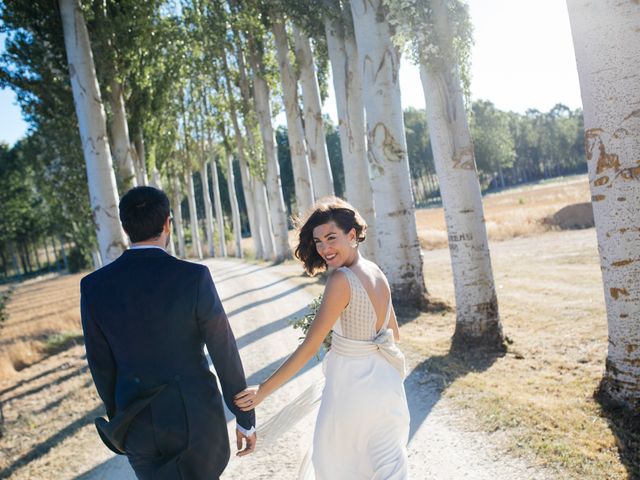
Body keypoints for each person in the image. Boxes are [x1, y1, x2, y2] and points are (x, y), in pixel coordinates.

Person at [80, 186, 256, 480]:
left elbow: (100, 364)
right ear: (167, 224)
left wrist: (121, 418)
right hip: (196, 421)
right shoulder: (194, 278)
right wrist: (244, 416)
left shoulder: (94, 286)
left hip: (137, 425)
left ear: (125, 227)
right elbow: (223, 349)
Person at [234, 197, 410, 479]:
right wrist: (351, 338)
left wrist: (263, 391)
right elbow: (394, 335)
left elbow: (310, 346)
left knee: (337, 468)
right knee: (388, 469)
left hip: (352, 391)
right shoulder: (377, 272)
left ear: (352, 236)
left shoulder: (341, 279)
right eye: (318, 242)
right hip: (387, 388)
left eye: (331, 238)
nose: (324, 248)